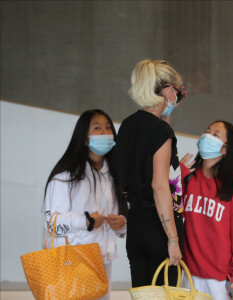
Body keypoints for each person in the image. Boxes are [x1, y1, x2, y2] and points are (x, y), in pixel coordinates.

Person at [114, 59, 186, 287]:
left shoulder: (128, 125)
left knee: (143, 291)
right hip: (159, 227)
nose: (178, 96)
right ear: (166, 90)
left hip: (136, 226)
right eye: (176, 90)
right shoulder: (161, 131)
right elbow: (159, 185)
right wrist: (173, 239)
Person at [43, 109, 127, 300]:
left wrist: (122, 224)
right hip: (73, 260)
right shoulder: (66, 177)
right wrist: (85, 221)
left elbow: (120, 218)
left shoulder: (112, 175)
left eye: (108, 128)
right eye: (97, 128)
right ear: (84, 138)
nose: (105, 133)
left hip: (103, 260)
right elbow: (51, 222)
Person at [180, 121, 233, 300]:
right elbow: (173, 214)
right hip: (189, 276)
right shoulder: (189, 178)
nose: (207, 136)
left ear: (225, 149)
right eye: (207, 131)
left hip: (221, 282)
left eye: (215, 135)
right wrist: (178, 178)